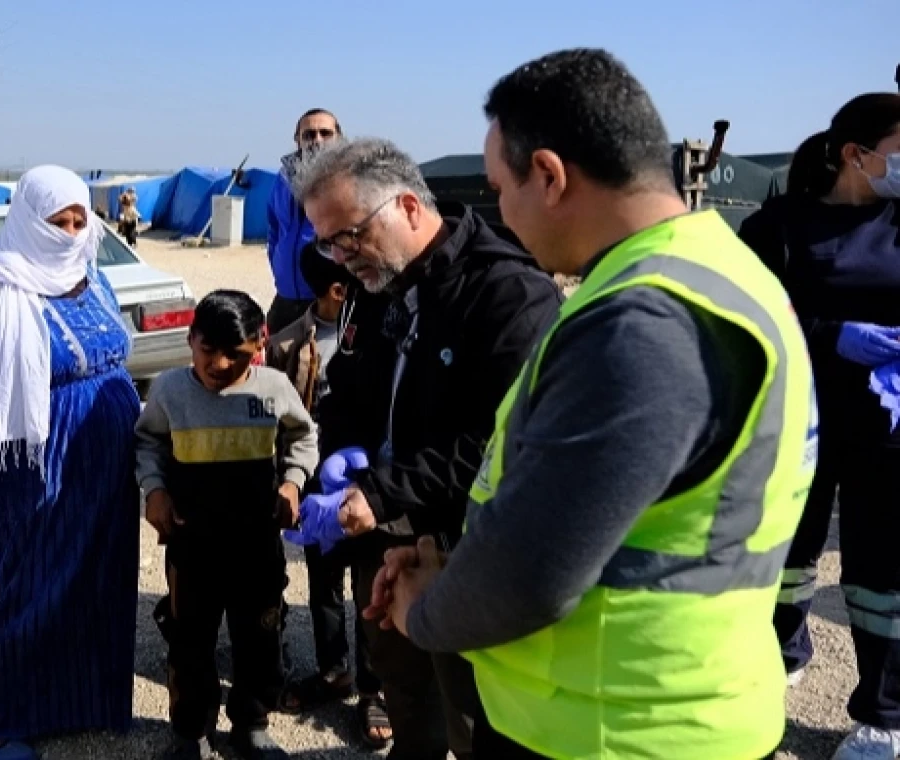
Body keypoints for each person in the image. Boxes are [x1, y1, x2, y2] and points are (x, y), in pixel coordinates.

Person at [369, 48, 815, 760]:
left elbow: (531, 578)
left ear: (548, 175)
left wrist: (425, 609)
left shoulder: (639, 324)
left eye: (498, 191)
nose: (501, 217)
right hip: (670, 706)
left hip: (611, 729)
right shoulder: (717, 272)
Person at [290, 137, 561, 760]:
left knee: (473, 710)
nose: (339, 256)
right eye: (327, 242)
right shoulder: (373, 280)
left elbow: (501, 443)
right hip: (382, 540)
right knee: (404, 691)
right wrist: (340, 459)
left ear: (409, 206)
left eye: (349, 235)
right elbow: (345, 390)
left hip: (463, 549)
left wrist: (381, 492)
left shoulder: (508, 294)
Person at [0, 165, 141, 760]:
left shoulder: (94, 277)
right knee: (25, 588)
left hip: (107, 465)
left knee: (96, 582)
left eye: (82, 219)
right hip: (33, 471)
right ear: (31, 220)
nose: (74, 230)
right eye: (61, 220)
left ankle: (77, 701)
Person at [739, 92, 900, 760]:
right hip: (793, 423)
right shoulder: (779, 227)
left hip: (886, 430)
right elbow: (742, 315)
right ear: (855, 156)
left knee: (880, 573)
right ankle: (770, 661)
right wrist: (830, 333)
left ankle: (883, 715)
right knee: (783, 554)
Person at [136, 290, 319, 760]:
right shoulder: (170, 390)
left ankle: (252, 723)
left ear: (258, 344)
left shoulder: (274, 388)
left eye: (234, 355)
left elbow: (303, 435)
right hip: (192, 543)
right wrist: (154, 490)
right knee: (189, 640)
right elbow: (148, 442)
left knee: (259, 637)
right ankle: (191, 729)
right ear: (191, 339)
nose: (218, 365)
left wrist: (293, 484)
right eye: (207, 350)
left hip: (256, 542)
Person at [267, 244, 391, 748]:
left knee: (370, 586)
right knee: (323, 583)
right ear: (336, 290)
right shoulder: (287, 344)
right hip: (316, 481)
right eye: (351, 287)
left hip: (368, 483)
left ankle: (373, 689)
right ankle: (333, 670)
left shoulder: (383, 334)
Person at [266, 108, 342, 334]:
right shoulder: (283, 179)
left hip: (327, 301)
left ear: (339, 137)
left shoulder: (349, 180)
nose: (317, 140)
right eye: (309, 134)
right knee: (278, 362)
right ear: (297, 140)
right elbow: (274, 232)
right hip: (286, 298)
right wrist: (281, 274)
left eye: (325, 133)